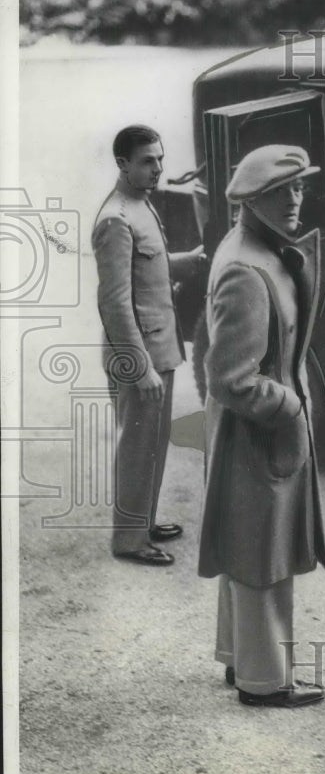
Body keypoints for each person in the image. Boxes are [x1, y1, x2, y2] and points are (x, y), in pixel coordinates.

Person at [198, 144, 325, 709]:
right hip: (258, 430)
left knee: (250, 545)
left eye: (300, 188)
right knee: (262, 554)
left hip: (252, 430)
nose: (296, 199)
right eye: (282, 191)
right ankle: (265, 680)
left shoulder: (252, 246)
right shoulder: (247, 269)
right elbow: (229, 377)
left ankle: (240, 660)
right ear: (251, 199)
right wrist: (290, 408)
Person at [92, 125, 206, 566]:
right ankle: (129, 540)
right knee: (139, 446)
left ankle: (143, 521)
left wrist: (189, 260)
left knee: (154, 442)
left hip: (159, 348)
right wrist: (139, 368)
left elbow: (151, 267)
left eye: (159, 159)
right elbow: (116, 304)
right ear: (122, 163)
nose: (157, 168)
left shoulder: (140, 204)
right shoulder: (115, 219)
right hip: (137, 355)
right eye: (147, 161)